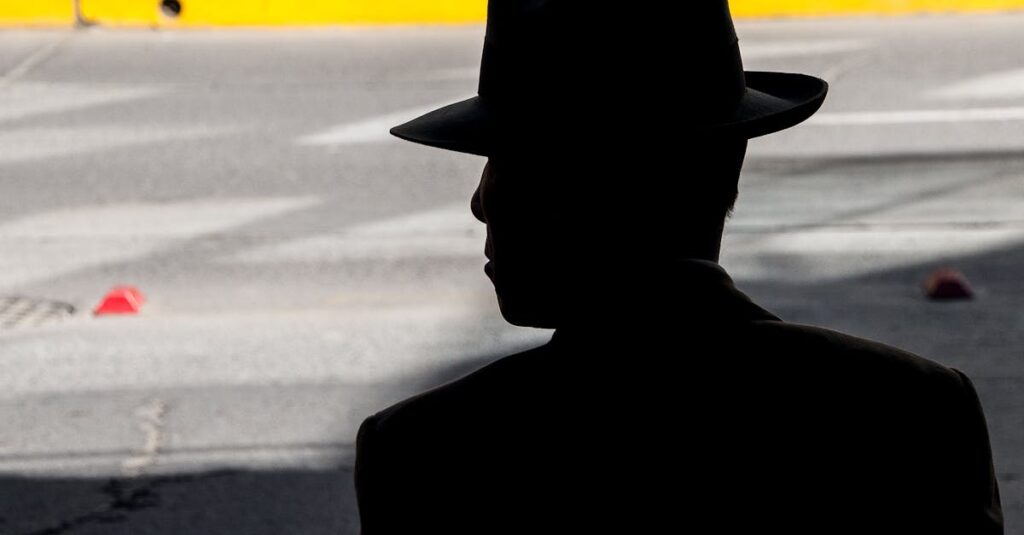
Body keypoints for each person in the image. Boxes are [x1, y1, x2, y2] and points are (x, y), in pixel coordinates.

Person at [355, 1, 1004, 533]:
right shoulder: (913, 410)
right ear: (728, 168)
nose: (479, 202)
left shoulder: (429, 454)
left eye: (499, 161)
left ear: (565, 192)